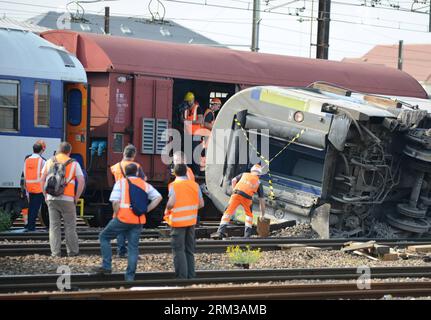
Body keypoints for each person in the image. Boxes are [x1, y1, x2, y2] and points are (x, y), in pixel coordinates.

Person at [96, 163, 162, 281]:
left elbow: (115, 202)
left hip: (123, 218)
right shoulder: (144, 184)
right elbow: (158, 197)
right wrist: (146, 209)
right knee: (133, 248)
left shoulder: (120, 183)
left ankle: (107, 266)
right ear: (137, 172)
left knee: (104, 237)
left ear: (125, 173)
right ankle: (129, 277)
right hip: (138, 220)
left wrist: (117, 216)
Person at [41, 142, 85, 257]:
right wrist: (76, 197)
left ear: (58, 150)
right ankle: (72, 252)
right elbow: (81, 181)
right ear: (69, 151)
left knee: (54, 226)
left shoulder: (49, 161)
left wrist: (45, 195)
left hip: (51, 197)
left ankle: (55, 253)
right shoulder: (74, 163)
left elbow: (42, 179)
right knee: (70, 226)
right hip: (68, 198)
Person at [165, 164, 204, 279]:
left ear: (174, 173)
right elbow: (201, 204)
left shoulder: (174, 185)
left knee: (178, 250)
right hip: (191, 222)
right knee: (189, 250)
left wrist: (167, 209)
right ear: (186, 172)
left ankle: (182, 278)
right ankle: (191, 276)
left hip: (178, 222)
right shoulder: (195, 185)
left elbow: (171, 203)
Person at [211, 164, 266, 239]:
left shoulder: (244, 174)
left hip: (236, 194)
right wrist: (262, 214)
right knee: (249, 215)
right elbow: (262, 201)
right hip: (247, 198)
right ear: (259, 175)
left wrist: (234, 190)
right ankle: (247, 236)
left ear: (251, 171)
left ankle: (220, 232)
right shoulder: (259, 183)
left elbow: (233, 180)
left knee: (228, 212)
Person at [110, 144, 146, 258]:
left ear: (123, 153)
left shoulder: (115, 167)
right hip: (132, 199)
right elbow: (144, 179)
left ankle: (121, 251)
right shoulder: (136, 166)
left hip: (120, 200)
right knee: (134, 228)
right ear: (134, 154)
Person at [23, 140, 46, 231]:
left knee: (31, 207)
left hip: (29, 187)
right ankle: (31, 227)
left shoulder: (27, 160)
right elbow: (45, 174)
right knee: (35, 208)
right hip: (38, 188)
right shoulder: (42, 161)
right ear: (41, 150)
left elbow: (25, 174)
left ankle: (29, 226)